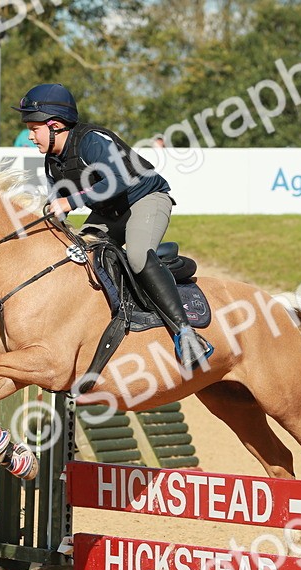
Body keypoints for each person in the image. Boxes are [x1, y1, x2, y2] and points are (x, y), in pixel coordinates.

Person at [14, 83, 212, 369]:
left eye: (34, 128)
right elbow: (59, 201)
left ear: (54, 125)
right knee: (79, 256)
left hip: (145, 199)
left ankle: (187, 334)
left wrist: (70, 203)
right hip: (111, 213)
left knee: (137, 255)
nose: (30, 136)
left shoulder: (91, 141)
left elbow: (117, 181)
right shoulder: (53, 161)